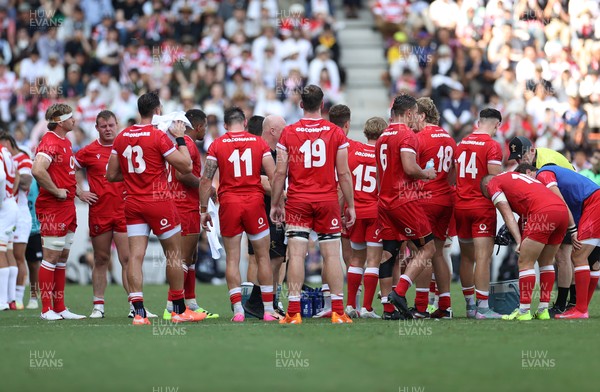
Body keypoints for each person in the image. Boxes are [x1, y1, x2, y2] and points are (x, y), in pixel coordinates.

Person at [107, 91, 204, 325]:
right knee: (174, 255)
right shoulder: (157, 135)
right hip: (158, 201)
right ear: (158, 111)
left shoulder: (122, 136)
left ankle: (138, 313)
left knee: (135, 257)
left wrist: (133, 176)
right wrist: (180, 138)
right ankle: (179, 310)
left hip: (132, 202)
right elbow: (186, 165)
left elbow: (111, 174)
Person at [270, 85, 356, 324]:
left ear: (301, 105)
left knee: (296, 255)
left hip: (298, 200)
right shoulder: (335, 133)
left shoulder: (289, 133)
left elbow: (279, 174)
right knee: (332, 254)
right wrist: (351, 205)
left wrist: (275, 203)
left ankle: (293, 312)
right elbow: (345, 174)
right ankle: (338, 312)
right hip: (327, 199)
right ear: (322, 104)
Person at [199, 107, 279, 322]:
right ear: (245, 122)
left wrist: (204, 210)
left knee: (232, 259)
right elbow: (274, 176)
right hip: (254, 202)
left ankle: (238, 311)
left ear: (225, 125)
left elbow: (206, 180)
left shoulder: (216, 145)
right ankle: (269, 310)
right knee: (263, 257)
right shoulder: (259, 143)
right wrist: (277, 204)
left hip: (229, 204)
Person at [74, 111, 152, 318]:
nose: (108, 129)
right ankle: (98, 305)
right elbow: (68, 168)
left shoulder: (127, 147)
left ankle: (135, 306)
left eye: (110, 125)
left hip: (125, 211)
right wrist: (79, 191)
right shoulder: (89, 151)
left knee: (128, 259)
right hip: (100, 211)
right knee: (101, 258)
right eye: (103, 126)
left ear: (116, 125)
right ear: (97, 128)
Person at [376, 94, 437, 320]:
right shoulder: (407, 135)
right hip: (403, 200)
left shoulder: (383, 137)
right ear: (409, 113)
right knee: (429, 247)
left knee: (389, 253)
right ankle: (400, 293)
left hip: (385, 201)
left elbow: (379, 173)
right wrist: (426, 173)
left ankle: (388, 310)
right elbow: (410, 168)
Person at [516, 164, 600, 319]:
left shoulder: (543, 173)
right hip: (593, 203)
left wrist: (573, 231)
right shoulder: (560, 177)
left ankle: (580, 310)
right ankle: (582, 308)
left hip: (595, 203)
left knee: (578, 256)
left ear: (529, 172)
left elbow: (561, 202)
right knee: (593, 261)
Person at [481, 171, 569, 321]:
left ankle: (524, 310)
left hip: (543, 212)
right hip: (562, 211)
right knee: (546, 262)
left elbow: (507, 215)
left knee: (525, 261)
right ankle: (543, 310)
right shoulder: (514, 176)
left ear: (486, 186)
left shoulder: (492, 184)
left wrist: (519, 240)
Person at [508, 135, 576, 316]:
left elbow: (550, 195)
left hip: (567, 204)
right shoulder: (535, 163)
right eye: (515, 158)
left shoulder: (546, 163)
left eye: (521, 157)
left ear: (531, 150)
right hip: (561, 205)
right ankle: (570, 302)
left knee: (563, 255)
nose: (518, 161)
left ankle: (564, 304)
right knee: (563, 256)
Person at [162, 109, 218, 320]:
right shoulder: (188, 144)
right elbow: (182, 174)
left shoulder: (179, 143)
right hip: (183, 205)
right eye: (205, 126)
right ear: (199, 126)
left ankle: (190, 303)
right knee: (183, 258)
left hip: (182, 203)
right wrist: (206, 187)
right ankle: (172, 306)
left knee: (191, 257)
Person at [31, 103, 85, 320]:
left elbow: (64, 173)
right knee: (51, 256)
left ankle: (60, 307)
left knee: (62, 256)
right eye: (71, 117)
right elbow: (37, 169)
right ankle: (46, 310)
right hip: (53, 206)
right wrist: (55, 190)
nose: (75, 120)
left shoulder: (65, 141)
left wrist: (77, 191)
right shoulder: (50, 141)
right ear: (61, 121)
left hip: (67, 205)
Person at [454, 108, 503, 319]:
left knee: (467, 257)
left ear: (478, 122)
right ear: (497, 125)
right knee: (483, 257)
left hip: (460, 205)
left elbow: (454, 175)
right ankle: (483, 308)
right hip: (481, 207)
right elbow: (494, 180)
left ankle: (470, 305)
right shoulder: (492, 146)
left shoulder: (461, 143)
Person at [412, 97, 456, 319]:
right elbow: (453, 173)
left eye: (414, 115)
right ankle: (445, 305)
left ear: (422, 115)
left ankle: (421, 306)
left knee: (424, 252)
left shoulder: (419, 138)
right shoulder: (449, 139)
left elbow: (410, 169)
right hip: (445, 199)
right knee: (438, 252)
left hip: (425, 199)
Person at [243, 114, 288, 319]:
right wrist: (286, 194)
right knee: (268, 258)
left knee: (277, 257)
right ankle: (256, 303)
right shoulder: (259, 150)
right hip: (264, 212)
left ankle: (268, 302)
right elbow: (259, 181)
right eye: (282, 129)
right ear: (272, 130)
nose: (286, 132)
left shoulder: (272, 151)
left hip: (270, 211)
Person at [344, 116, 386, 319]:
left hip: (355, 211)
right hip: (375, 212)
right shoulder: (382, 156)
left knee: (355, 259)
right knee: (373, 261)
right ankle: (367, 308)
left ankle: (351, 305)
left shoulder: (353, 151)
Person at [0, 133, 32, 310]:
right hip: (13, 207)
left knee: (17, 255)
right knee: (9, 252)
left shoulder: (22, 157)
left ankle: (15, 298)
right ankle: (12, 298)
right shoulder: (11, 158)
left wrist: (6, 194)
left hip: (17, 211)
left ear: (6, 141)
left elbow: (26, 181)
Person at [0, 139, 18, 311]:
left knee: (0, 251)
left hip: (4, 205)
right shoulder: (5, 151)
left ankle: (3, 301)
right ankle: (11, 298)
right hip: (11, 203)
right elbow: (15, 174)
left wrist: (1, 198)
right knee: (8, 250)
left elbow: (1, 177)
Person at [25, 178, 43, 309]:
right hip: (13, 227)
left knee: (33, 264)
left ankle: (33, 296)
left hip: (33, 228)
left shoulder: (35, 179)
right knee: (11, 260)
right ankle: (11, 296)